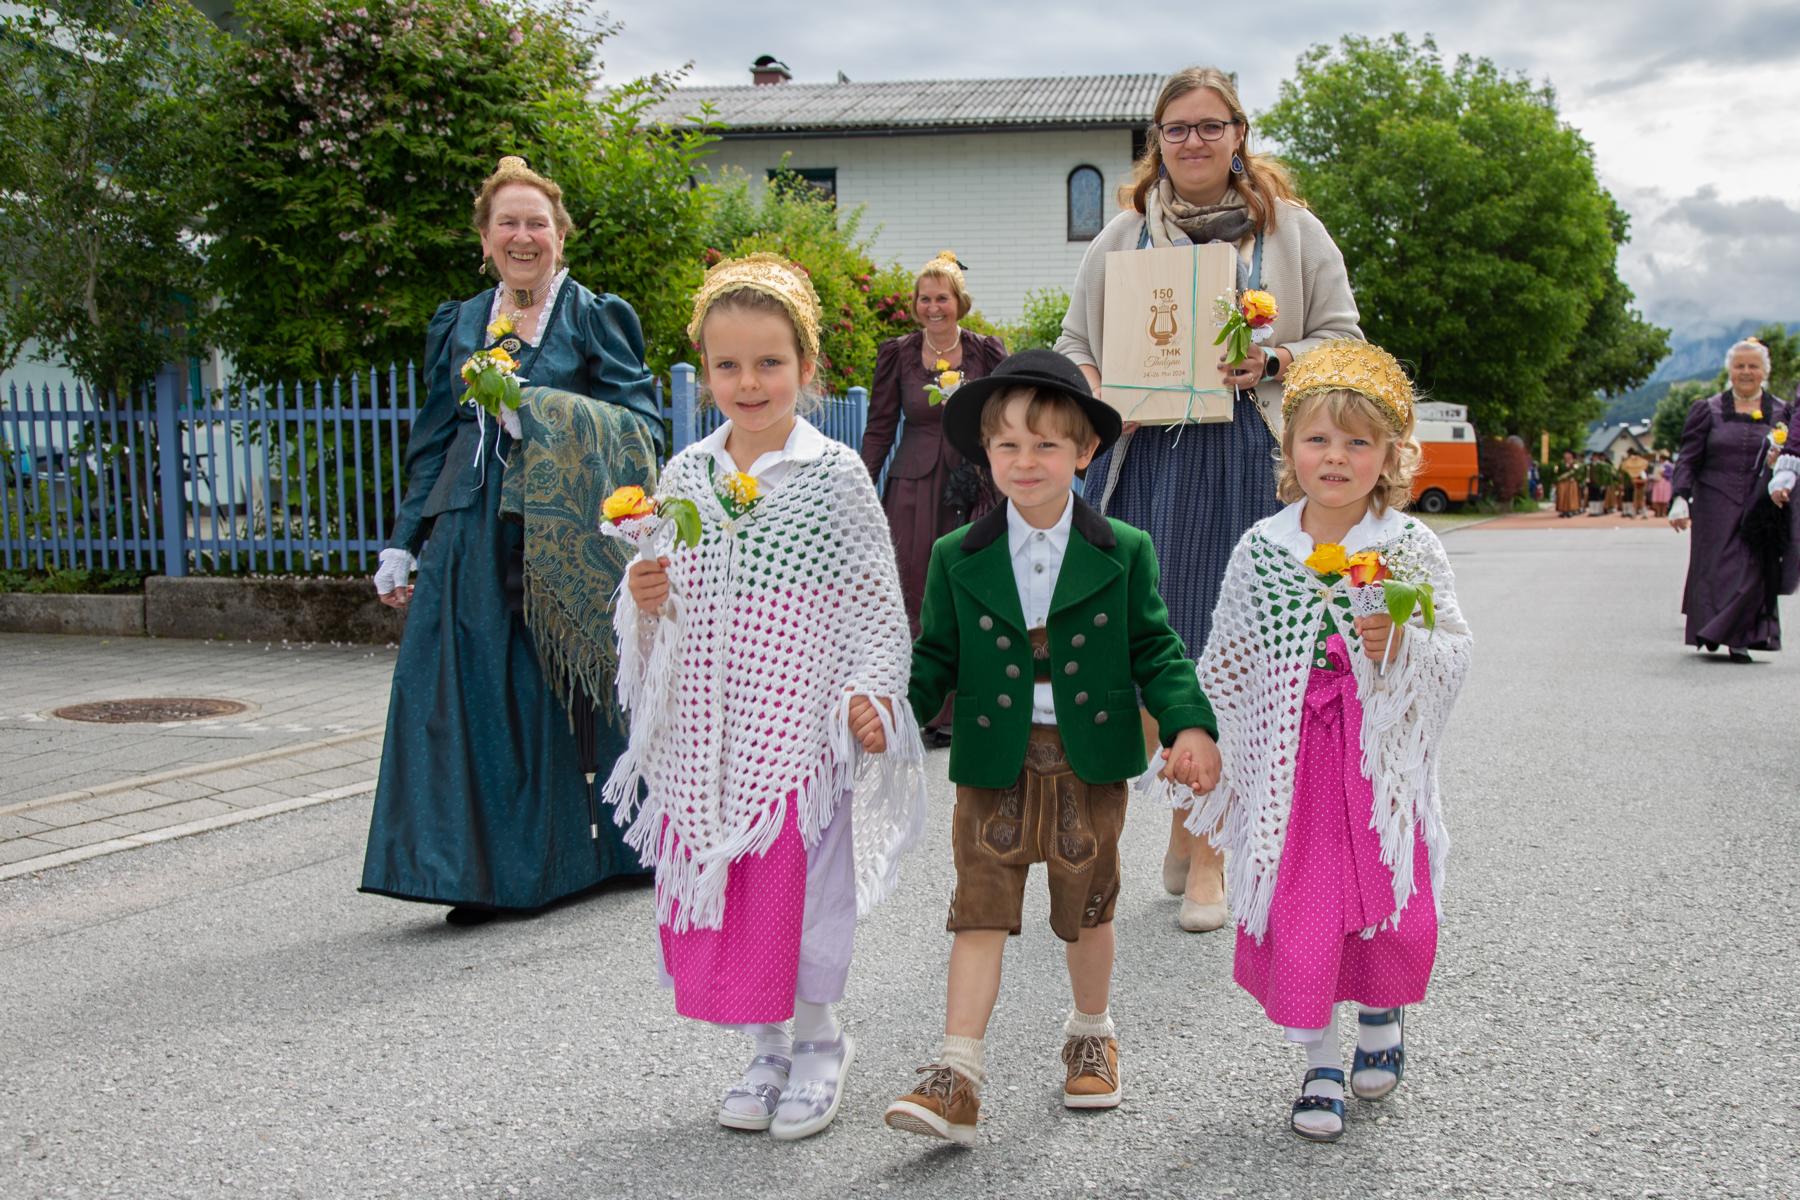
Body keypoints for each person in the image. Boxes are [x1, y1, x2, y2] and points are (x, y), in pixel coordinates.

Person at [610, 254, 927, 1141]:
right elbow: (666, 599)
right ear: (705, 372)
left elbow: (872, 599)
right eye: (727, 365)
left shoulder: (830, 475)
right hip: (707, 730)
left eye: (769, 363)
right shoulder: (685, 477)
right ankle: (765, 1045)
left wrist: (871, 691)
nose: (748, 383)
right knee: (736, 886)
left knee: (799, 887)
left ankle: (821, 1040)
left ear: (807, 367)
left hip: (799, 730)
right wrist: (645, 604)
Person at [882, 349, 1222, 1146]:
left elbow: (1158, 650)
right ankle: (957, 1073)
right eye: (1007, 446)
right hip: (994, 760)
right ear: (986, 454)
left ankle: (1091, 1033)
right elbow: (933, 657)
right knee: (979, 911)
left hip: (1088, 758)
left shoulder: (1123, 549)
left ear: (1085, 452)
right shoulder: (955, 556)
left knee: (1087, 909)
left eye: (1046, 446)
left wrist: (1190, 724)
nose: (1025, 462)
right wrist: (895, 713)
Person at [1054, 66, 1362, 932]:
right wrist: (1097, 387)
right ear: (1158, 141)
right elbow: (1074, 344)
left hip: (1249, 458)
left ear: (1239, 134)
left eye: (1210, 125)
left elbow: (1345, 340)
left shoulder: (1292, 234)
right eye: (1176, 128)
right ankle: (1193, 816)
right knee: (1159, 650)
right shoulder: (1122, 236)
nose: (1193, 141)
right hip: (1149, 458)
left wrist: (1274, 362)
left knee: (1236, 653)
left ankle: (1210, 855)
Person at [1167, 341, 1472, 1143]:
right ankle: (1321, 1062)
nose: (1335, 458)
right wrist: (1203, 739)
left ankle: (1382, 1014)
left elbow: (1453, 649)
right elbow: (1227, 660)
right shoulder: (1263, 549)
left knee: (1385, 901)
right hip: (1292, 768)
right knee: (1303, 909)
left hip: (1376, 767)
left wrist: (1400, 647)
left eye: (1357, 442)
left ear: (1391, 456)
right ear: (1289, 446)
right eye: (1317, 439)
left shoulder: (1409, 547)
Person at [363, 156, 663, 924]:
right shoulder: (461, 321)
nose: (523, 236)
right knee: (461, 698)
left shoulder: (594, 316)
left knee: (558, 692)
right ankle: (477, 871)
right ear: (486, 239)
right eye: (508, 223)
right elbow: (434, 435)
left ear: (560, 235)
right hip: (468, 529)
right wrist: (404, 539)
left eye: (537, 223)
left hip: (558, 532)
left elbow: (641, 425)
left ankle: (600, 853)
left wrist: (541, 409)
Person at [860, 252, 1009, 745]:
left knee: (969, 587)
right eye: (924, 299)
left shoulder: (986, 353)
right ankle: (919, 706)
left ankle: (965, 706)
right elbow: (881, 427)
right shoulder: (898, 354)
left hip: (972, 483)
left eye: (941, 297)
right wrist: (862, 486)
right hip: (913, 485)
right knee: (913, 588)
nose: (933, 307)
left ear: (958, 302)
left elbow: (1006, 417)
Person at [1669, 339, 1800, 662]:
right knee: (1715, 570)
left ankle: (1740, 636)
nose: (1746, 372)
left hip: (1761, 504)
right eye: (1739, 366)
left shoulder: (1783, 411)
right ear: (1730, 370)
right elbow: (1688, 458)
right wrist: (1680, 498)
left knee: (1753, 568)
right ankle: (1713, 628)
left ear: (1764, 371)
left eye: (1753, 366)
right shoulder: (1707, 409)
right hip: (1715, 501)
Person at [1553, 450, 1583, 518]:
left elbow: (1576, 471)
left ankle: (1571, 510)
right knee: (1562, 495)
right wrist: (1557, 479)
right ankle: (1563, 510)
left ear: (1571, 455)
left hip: (1571, 482)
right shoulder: (1560, 463)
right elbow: (1556, 471)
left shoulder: (1575, 463)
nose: (1566, 455)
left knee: (1570, 496)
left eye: (1567, 454)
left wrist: (1574, 477)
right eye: (1565, 454)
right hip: (1562, 482)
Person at [1649, 450, 1674, 518]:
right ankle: (1658, 512)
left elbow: (1671, 474)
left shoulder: (1668, 465)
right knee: (1658, 499)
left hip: (1665, 482)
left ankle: (1663, 513)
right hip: (1658, 482)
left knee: (1664, 499)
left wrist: (1664, 474)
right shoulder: (1660, 465)